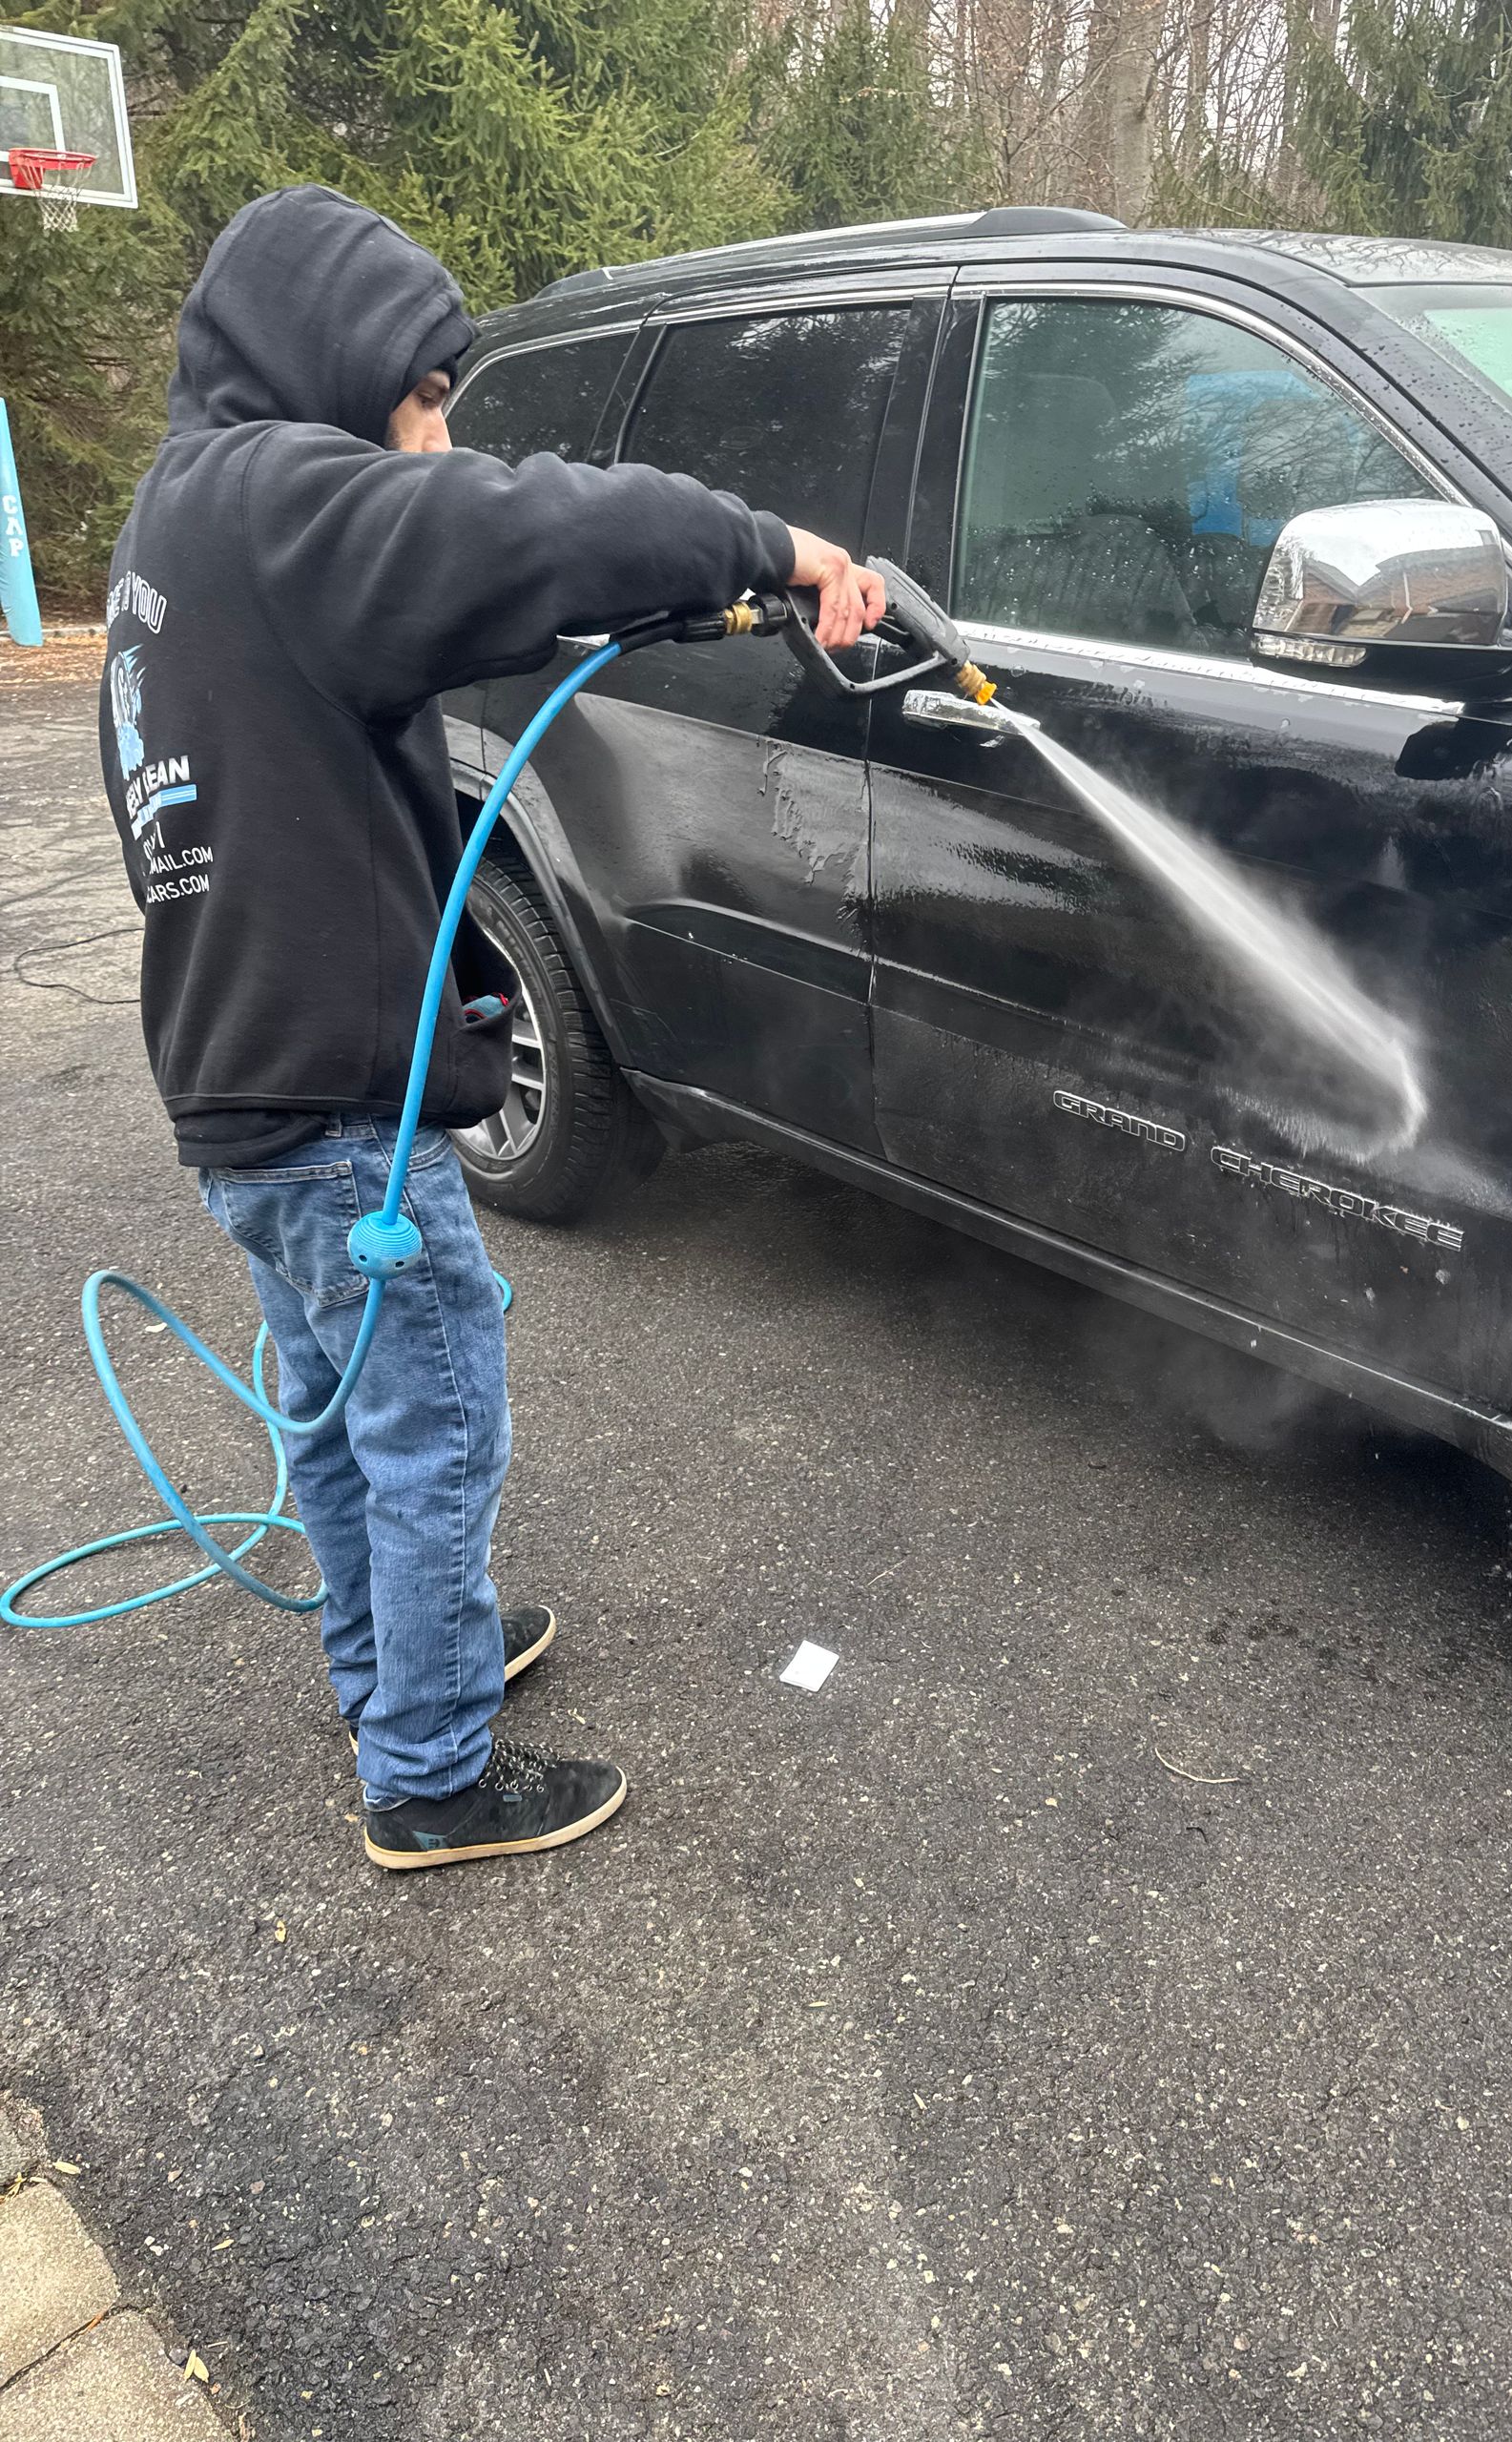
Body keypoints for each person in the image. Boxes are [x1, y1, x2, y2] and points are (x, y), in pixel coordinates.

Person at [97, 185, 883, 1872]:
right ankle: (433, 1778)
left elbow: (303, 768)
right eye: (429, 393)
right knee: (436, 1418)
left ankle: (391, 1677)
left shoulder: (183, 521)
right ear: (334, 364)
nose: (443, 439)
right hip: (332, 1114)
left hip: (237, 1094)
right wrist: (777, 548)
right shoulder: (287, 500)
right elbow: (533, 532)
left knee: (336, 1409)